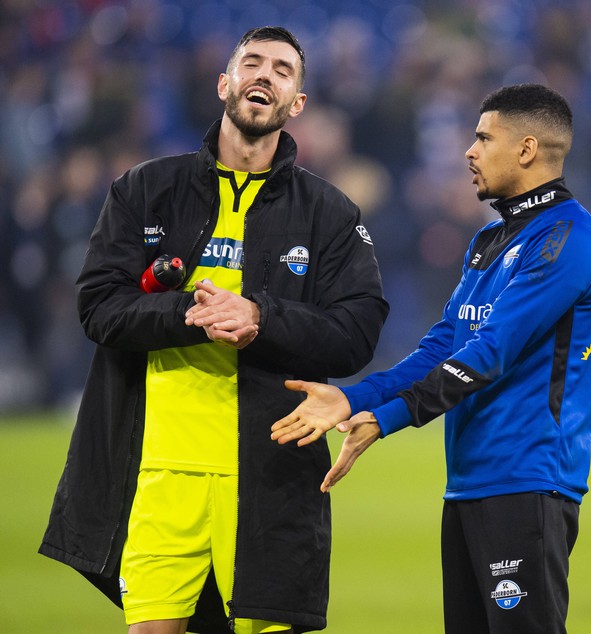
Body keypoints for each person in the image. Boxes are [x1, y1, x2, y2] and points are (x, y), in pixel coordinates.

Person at [39, 26, 388, 634]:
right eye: (252, 63)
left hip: (270, 476)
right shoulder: (146, 190)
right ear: (225, 84)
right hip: (156, 471)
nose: (265, 75)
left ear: (296, 104)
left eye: (282, 71)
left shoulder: (330, 213)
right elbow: (97, 306)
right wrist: (189, 315)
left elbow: (356, 333)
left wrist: (260, 317)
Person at [271, 83, 591, 633]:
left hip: (527, 483)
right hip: (470, 483)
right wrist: (350, 398)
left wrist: (386, 418)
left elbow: (489, 353)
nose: (468, 152)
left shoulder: (568, 239)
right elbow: (440, 347)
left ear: (526, 150)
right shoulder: (490, 241)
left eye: (483, 138)